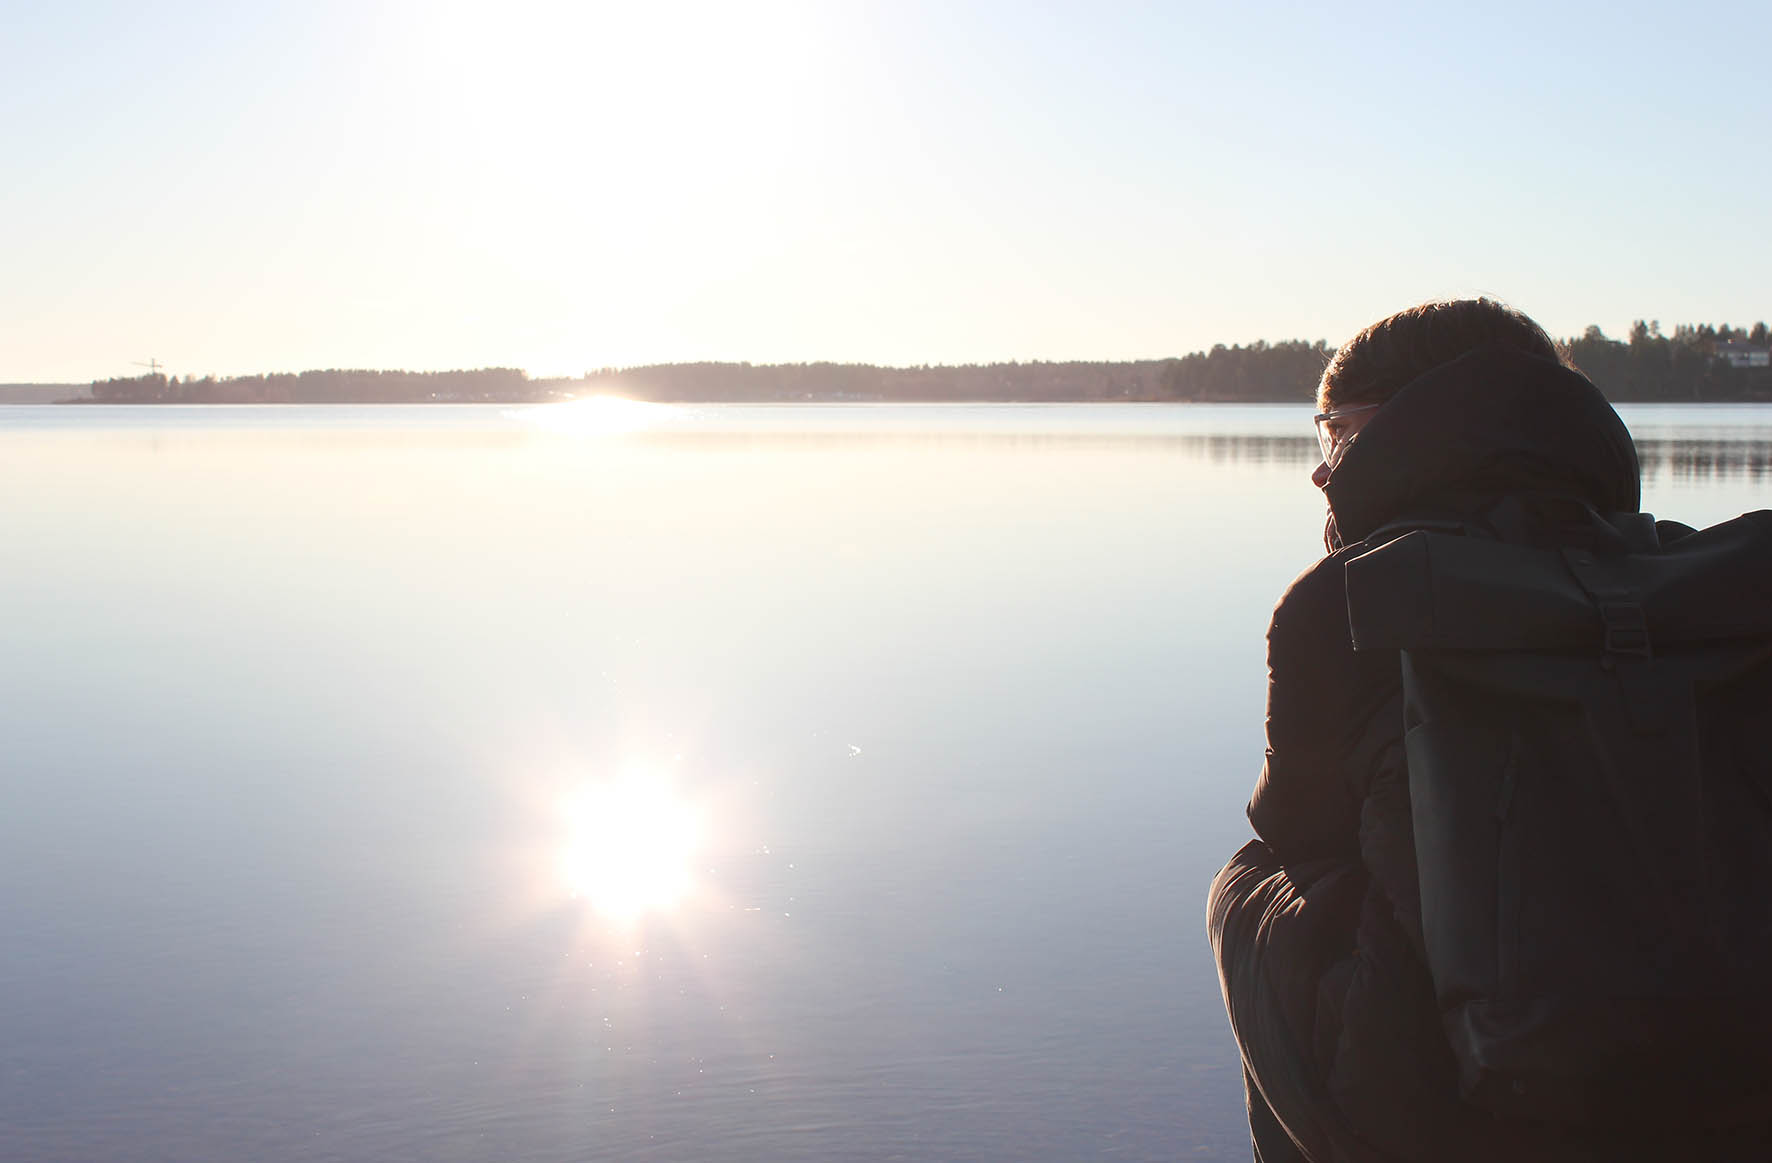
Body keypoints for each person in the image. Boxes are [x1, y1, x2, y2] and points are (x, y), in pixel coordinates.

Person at [1205, 298, 1768, 1161]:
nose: (1323, 474)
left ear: (1404, 429)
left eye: (1336, 434)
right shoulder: (1700, 580)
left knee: (1243, 880)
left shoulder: (1351, 598)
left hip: (1442, 1107)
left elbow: (1292, 832)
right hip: (1734, 1084)